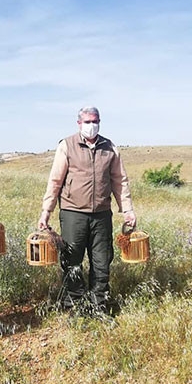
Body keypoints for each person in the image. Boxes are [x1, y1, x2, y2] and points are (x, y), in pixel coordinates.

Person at [38, 106, 136, 316]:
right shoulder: (67, 145)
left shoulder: (110, 148)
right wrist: (46, 211)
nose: (92, 125)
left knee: (102, 261)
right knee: (72, 260)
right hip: (73, 213)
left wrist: (127, 210)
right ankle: (75, 305)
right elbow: (55, 181)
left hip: (102, 214)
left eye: (95, 121)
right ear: (79, 123)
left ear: (99, 122)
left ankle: (99, 305)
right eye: (87, 122)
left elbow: (120, 181)